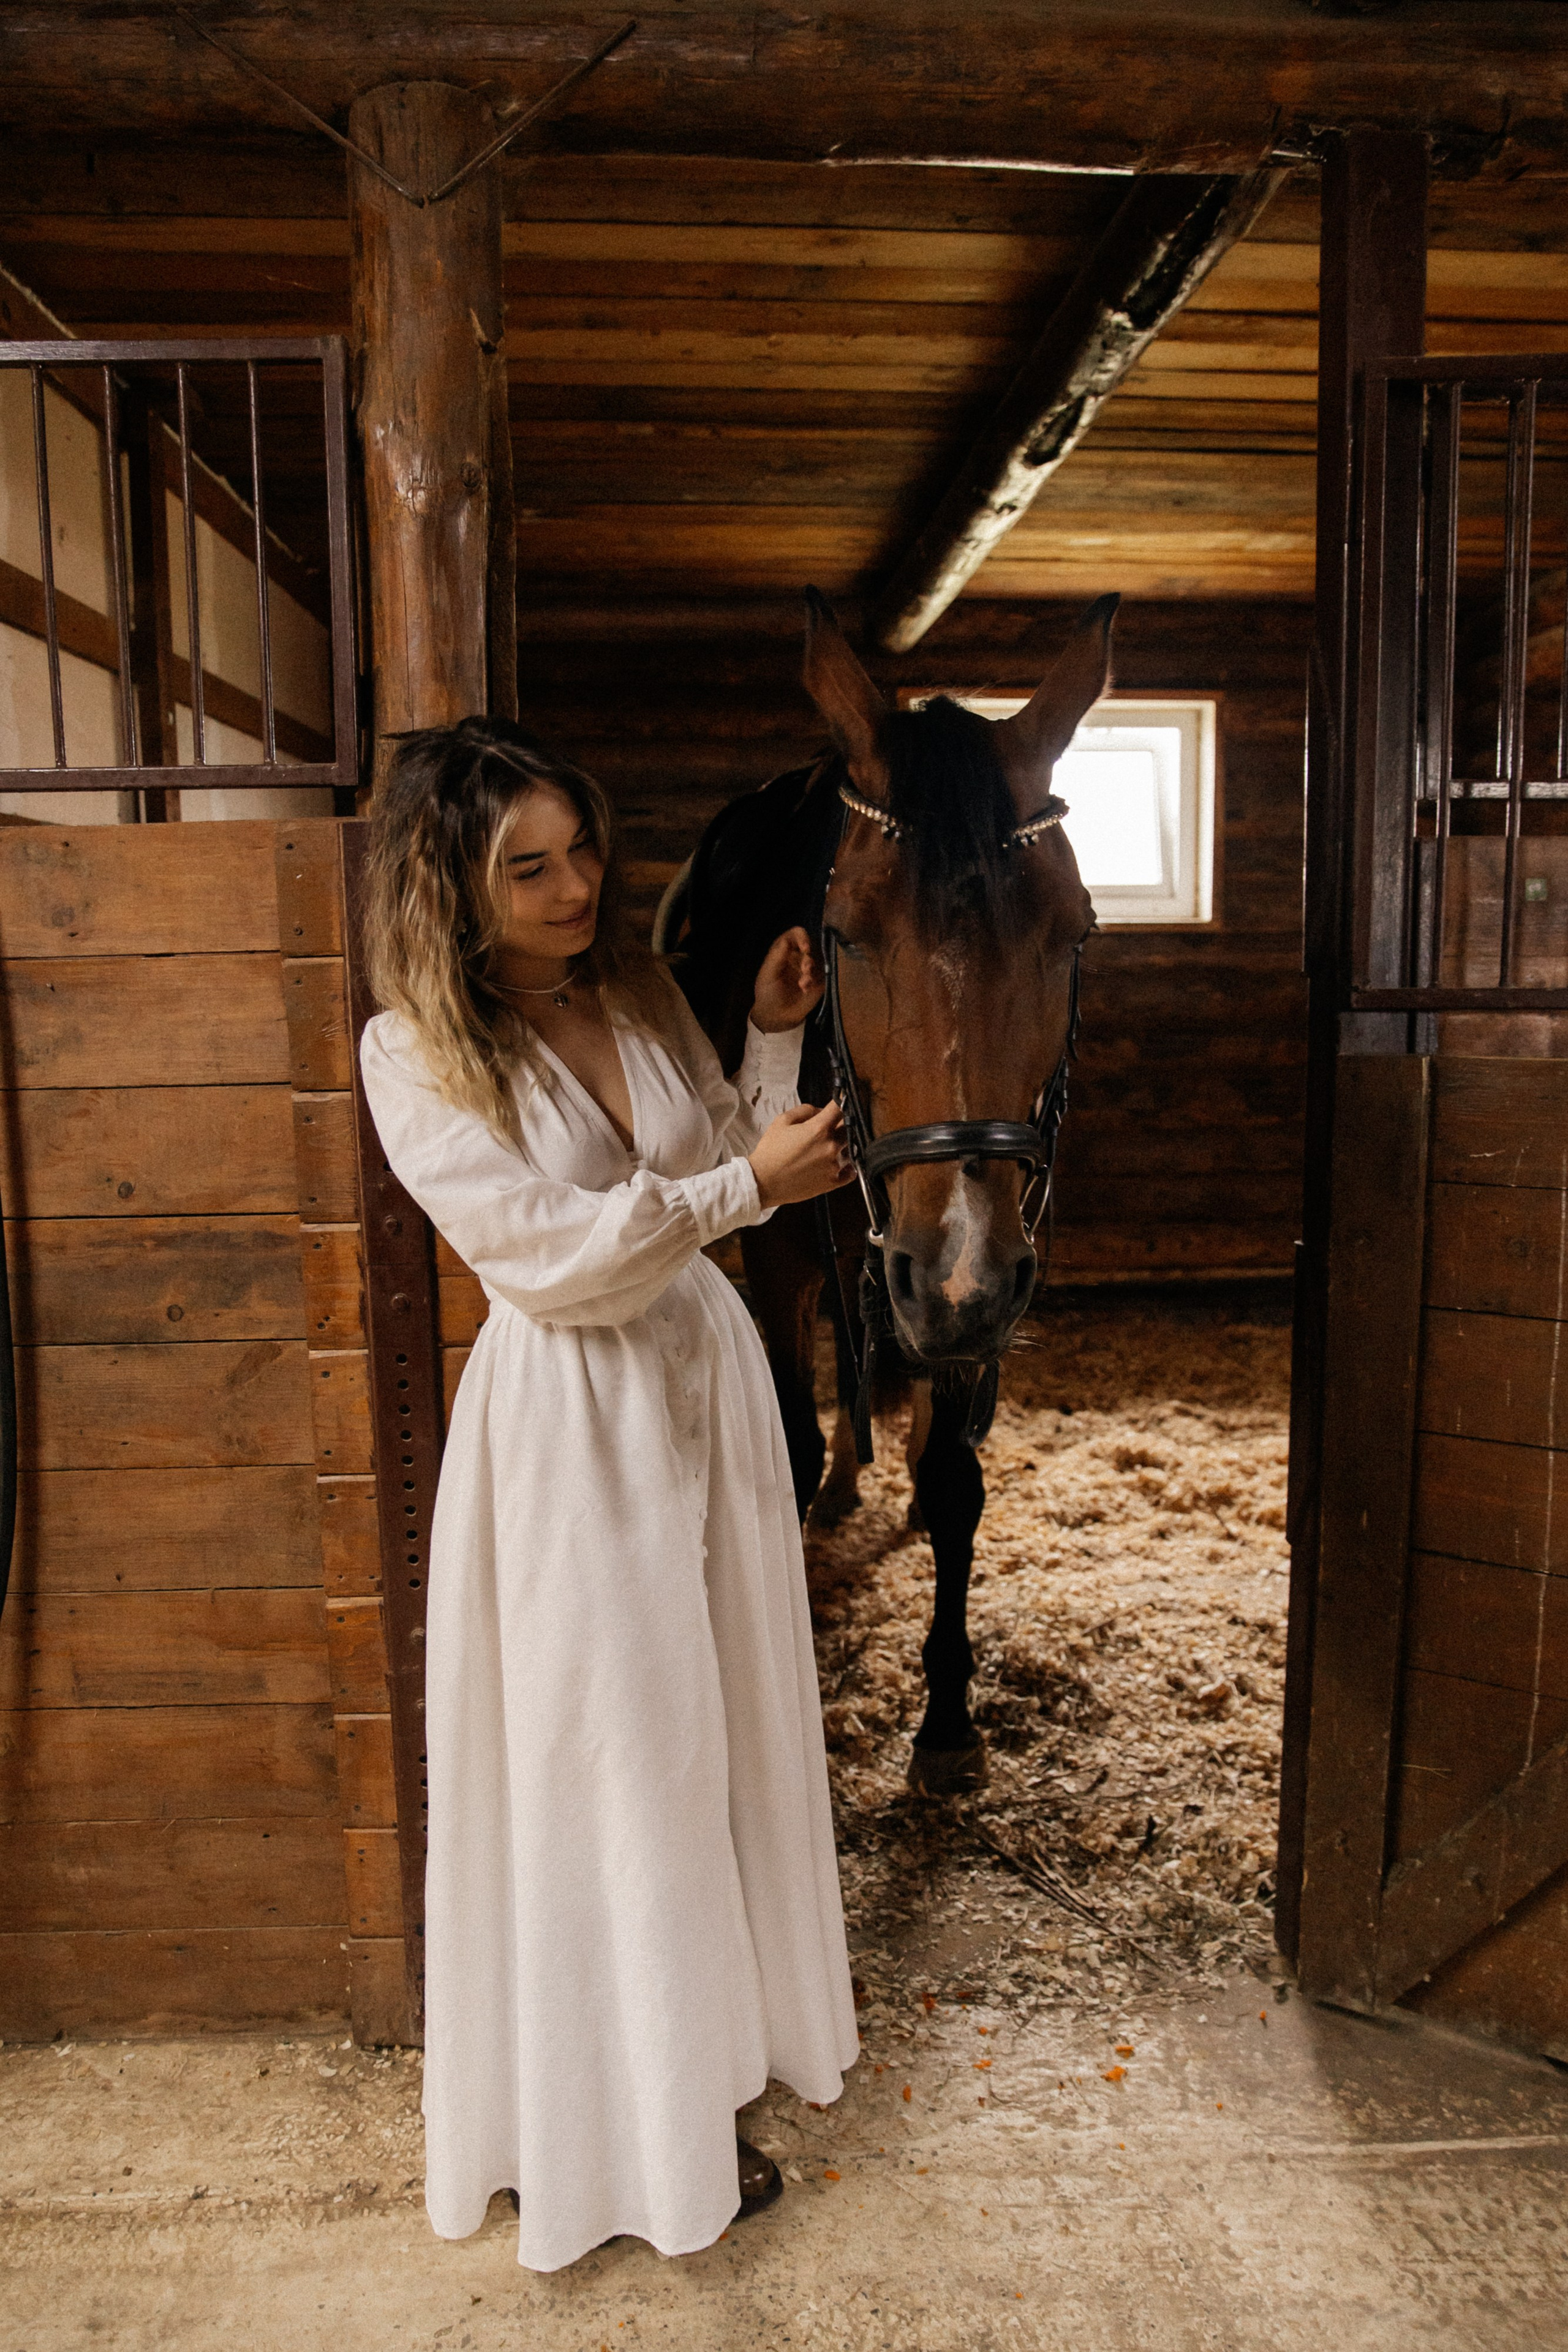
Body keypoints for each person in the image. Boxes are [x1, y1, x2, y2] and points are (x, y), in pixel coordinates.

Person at [358, 716, 860, 2274]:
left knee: (714, 1737)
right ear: (449, 885)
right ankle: (609, 2129)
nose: (575, 887)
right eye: (530, 868)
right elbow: (546, 1259)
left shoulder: (628, 990)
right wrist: (741, 1187)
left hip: (703, 1388)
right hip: (577, 1421)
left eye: (579, 850)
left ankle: (700, 2066)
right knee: (613, 1761)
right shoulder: (411, 1051)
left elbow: (715, 1155)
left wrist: (764, 1045)